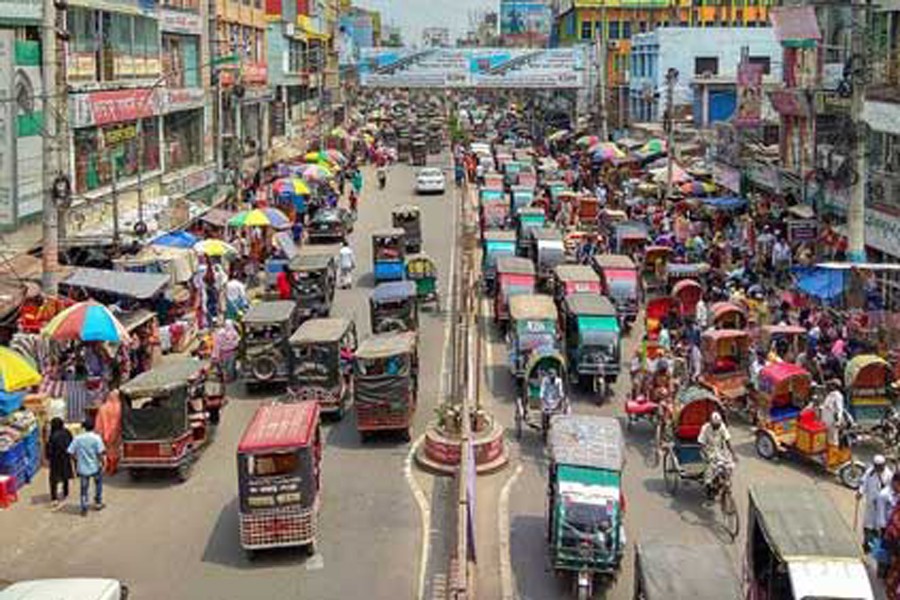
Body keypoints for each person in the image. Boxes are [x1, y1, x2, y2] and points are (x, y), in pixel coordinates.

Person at [67, 418, 106, 516]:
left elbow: (70, 452)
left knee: (84, 488)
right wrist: (104, 463)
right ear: (93, 427)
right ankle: (98, 502)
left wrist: (76, 459)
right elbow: (100, 453)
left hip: (82, 468)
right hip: (95, 467)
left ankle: (84, 506)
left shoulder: (78, 438)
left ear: (83, 427)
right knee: (98, 484)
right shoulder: (97, 438)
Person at [860, 455, 895, 552]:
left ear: (883, 465)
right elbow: (863, 483)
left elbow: (890, 491)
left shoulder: (889, 475)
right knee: (867, 525)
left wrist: (880, 500)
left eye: (880, 466)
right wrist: (860, 492)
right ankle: (866, 544)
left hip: (881, 507)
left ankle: (874, 547)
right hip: (870, 504)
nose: (877, 468)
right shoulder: (870, 472)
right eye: (876, 466)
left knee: (877, 527)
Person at [697, 411, 735, 492]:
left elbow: (727, 439)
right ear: (711, 423)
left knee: (729, 464)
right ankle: (708, 485)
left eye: (718, 425)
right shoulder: (705, 428)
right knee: (710, 468)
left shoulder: (722, 426)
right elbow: (701, 443)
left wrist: (732, 453)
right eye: (715, 425)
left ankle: (726, 480)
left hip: (719, 450)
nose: (717, 427)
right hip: (708, 450)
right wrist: (706, 454)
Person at [46, 417, 73, 509]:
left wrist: (48, 457)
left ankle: (54, 498)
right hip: (65, 458)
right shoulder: (67, 432)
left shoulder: (53, 436)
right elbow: (71, 443)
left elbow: (49, 449)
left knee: (54, 479)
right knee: (65, 475)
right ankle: (65, 492)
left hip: (55, 460)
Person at [821, 378, 846, 446]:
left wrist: (837, 422)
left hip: (832, 422)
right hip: (826, 422)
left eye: (831, 385)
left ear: (834, 386)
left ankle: (833, 454)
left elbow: (839, 409)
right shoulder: (830, 395)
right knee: (828, 439)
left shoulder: (837, 396)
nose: (829, 387)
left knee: (833, 440)